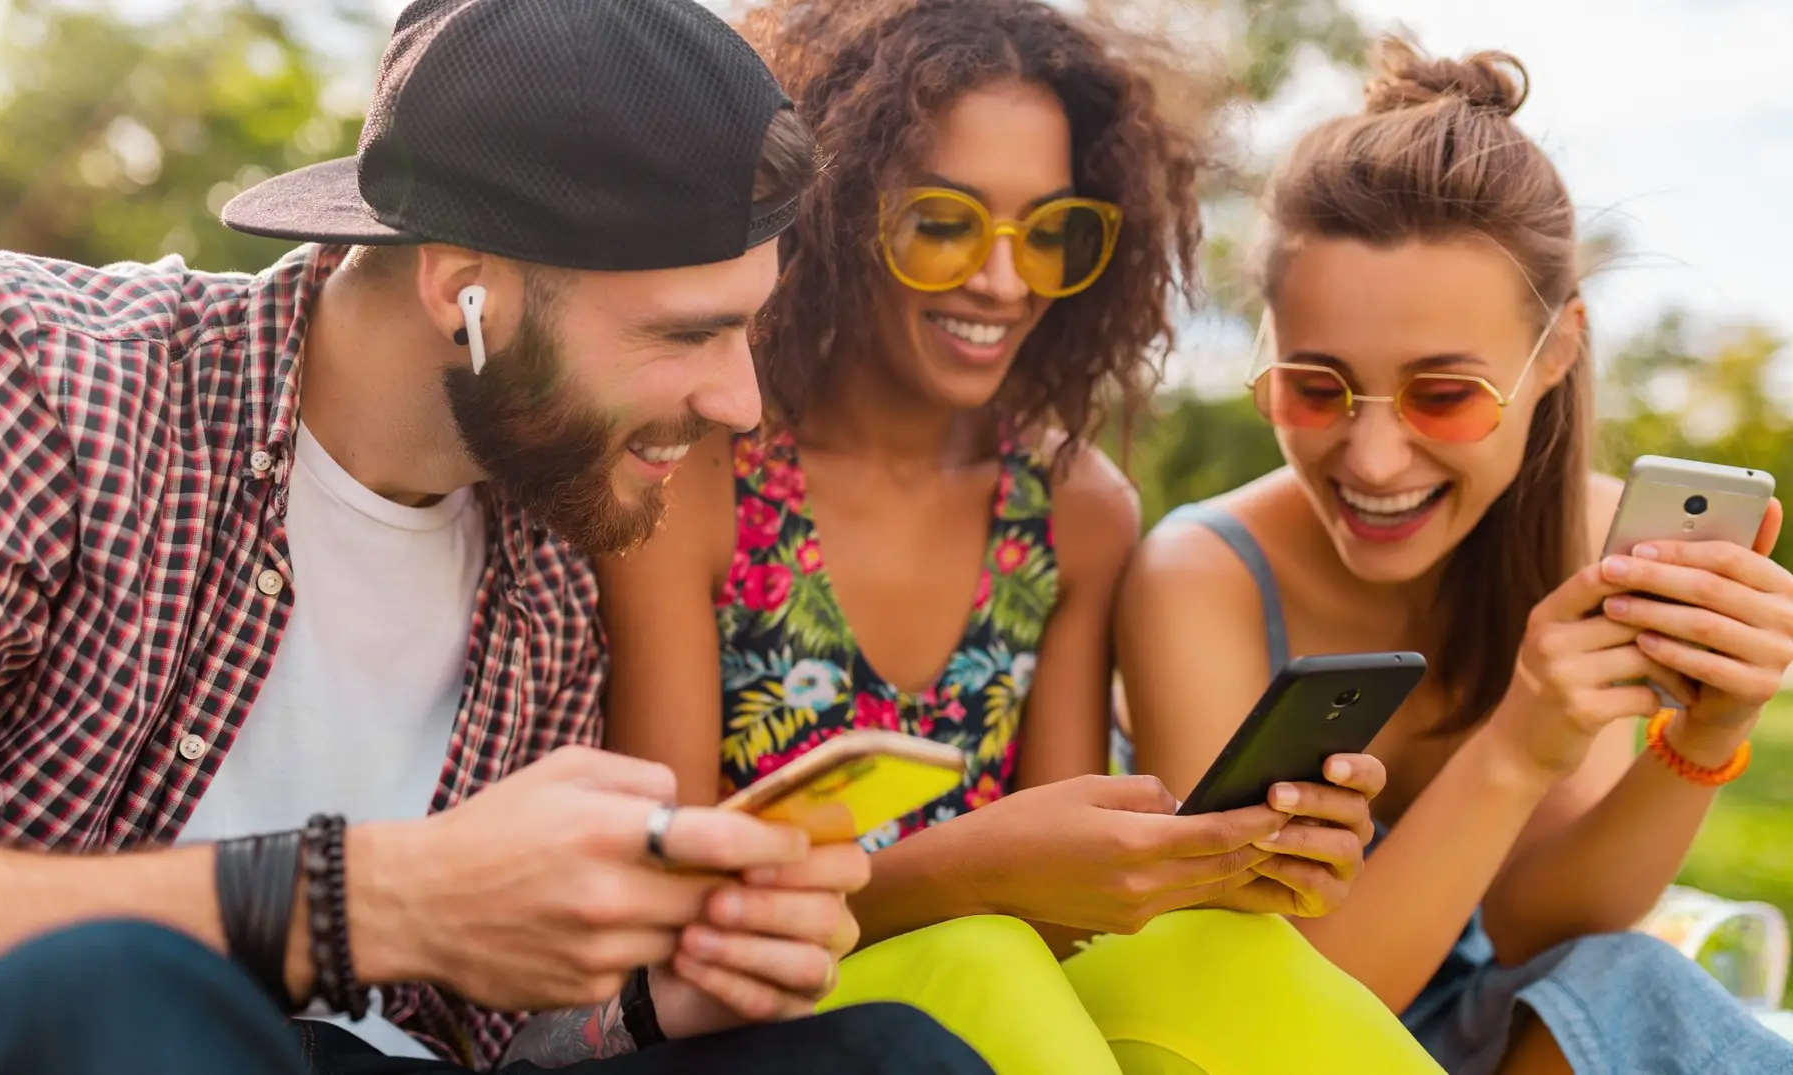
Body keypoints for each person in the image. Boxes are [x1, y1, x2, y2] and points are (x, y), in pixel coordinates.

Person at [0, 2, 997, 1074]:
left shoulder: (552, 557)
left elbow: (496, 1038)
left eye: (745, 327)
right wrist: (370, 902)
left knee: (883, 1053)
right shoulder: (28, 377)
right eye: (687, 334)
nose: (740, 404)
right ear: (466, 292)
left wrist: (653, 997)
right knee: (119, 992)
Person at [596, 1, 1444, 1072]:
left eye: (1050, 232)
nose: (1005, 280)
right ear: (830, 211)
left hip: (993, 1007)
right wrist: (965, 877)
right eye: (945, 222)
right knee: (987, 956)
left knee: (1238, 958)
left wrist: (1214, 861)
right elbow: (665, 922)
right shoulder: (696, 474)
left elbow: (1062, 907)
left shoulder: (1073, 511)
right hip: (740, 1023)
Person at [1116, 36, 1793, 1075]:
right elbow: (1282, 1025)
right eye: (1317, 386)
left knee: (1635, 985)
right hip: (1262, 1043)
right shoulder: (1197, 576)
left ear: (1556, 353)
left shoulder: (1588, 546)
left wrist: (1710, 730)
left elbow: (1553, 942)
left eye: (1443, 395)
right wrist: (1521, 740)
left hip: (1469, 1034)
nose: (1375, 458)